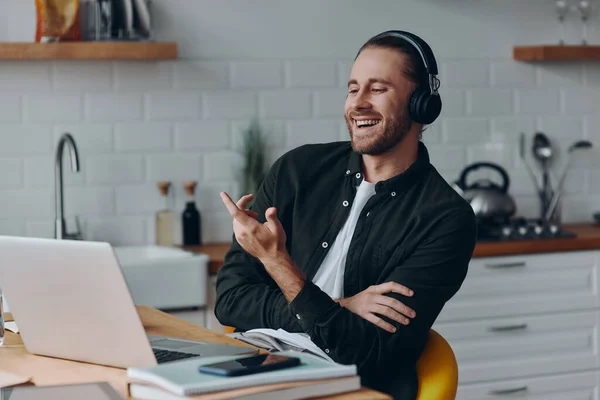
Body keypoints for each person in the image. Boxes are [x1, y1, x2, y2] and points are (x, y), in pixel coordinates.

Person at [215, 30, 477, 400]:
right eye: (353, 89)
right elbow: (230, 301)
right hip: (255, 363)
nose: (359, 103)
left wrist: (277, 263)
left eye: (378, 89)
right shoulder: (297, 170)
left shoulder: (444, 218)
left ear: (421, 104)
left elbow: (368, 351)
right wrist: (337, 307)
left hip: (348, 384)